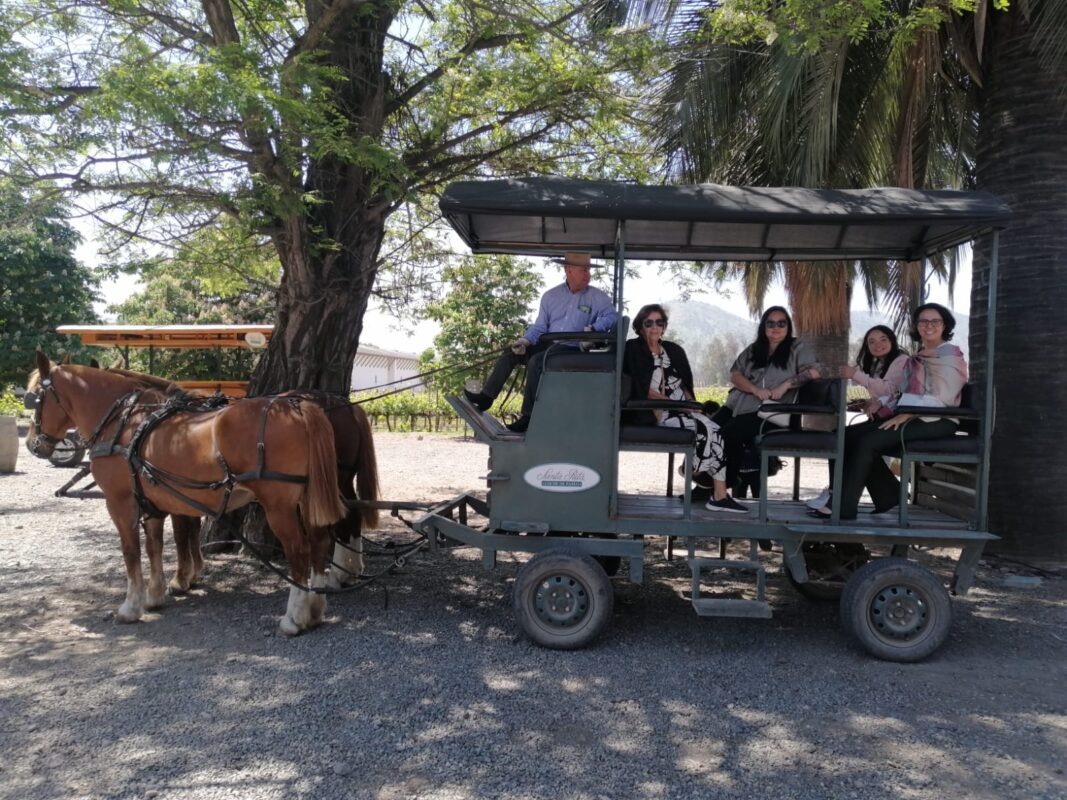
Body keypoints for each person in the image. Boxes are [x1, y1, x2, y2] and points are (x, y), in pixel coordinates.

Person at [809, 303, 967, 520]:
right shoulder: (920, 356)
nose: (928, 325)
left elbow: (946, 395)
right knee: (846, 436)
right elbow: (902, 391)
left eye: (935, 321)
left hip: (937, 420)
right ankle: (888, 495)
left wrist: (908, 413)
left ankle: (843, 507)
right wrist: (881, 404)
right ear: (916, 326)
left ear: (945, 325)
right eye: (923, 321)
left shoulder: (950, 355)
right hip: (912, 415)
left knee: (867, 442)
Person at [464, 252, 619, 432]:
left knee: (536, 361)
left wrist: (594, 329)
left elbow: (612, 317)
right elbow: (539, 326)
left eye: (589, 270)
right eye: (584, 270)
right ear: (568, 270)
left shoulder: (597, 297)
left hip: (571, 348)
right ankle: (486, 397)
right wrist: (524, 341)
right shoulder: (550, 296)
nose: (588, 275)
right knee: (510, 353)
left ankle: (529, 417)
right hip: (547, 344)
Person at [623, 304, 745, 512]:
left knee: (715, 430)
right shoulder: (633, 349)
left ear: (664, 326)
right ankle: (698, 474)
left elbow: (684, 384)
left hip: (681, 408)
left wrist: (691, 405)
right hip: (655, 411)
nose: (654, 327)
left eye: (659, 322)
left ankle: (717, 494)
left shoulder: (673, 350)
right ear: (640, 327)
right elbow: (640, 387)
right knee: (707, 430)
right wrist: (672, 403)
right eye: (649, 323)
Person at [711, 306, 825, 510]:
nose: (776, 327)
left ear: (788, 326)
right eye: (770, 323)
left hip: (774, 412)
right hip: (738, 405)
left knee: (728, 435)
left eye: (781, 323)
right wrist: (754, 389)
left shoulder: (798, 348)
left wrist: (785, 385)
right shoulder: (754, 349)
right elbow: (735, 375)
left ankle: (723, 490)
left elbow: (815, 372)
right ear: (763, 326)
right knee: (707, 431)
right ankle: (705, 486)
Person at [805, 324, 908, 510]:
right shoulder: (879, 364)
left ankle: (839, 496)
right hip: (883, 418)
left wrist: (855, 375)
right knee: (841, 436)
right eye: (871, 342)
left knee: (847, 438)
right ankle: (889, 494)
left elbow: (889, 389)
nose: (877, 345)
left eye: (883, 339)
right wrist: (868, 403)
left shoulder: (901, 360)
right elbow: (886, 395)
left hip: (898, 421)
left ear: (892, 341)